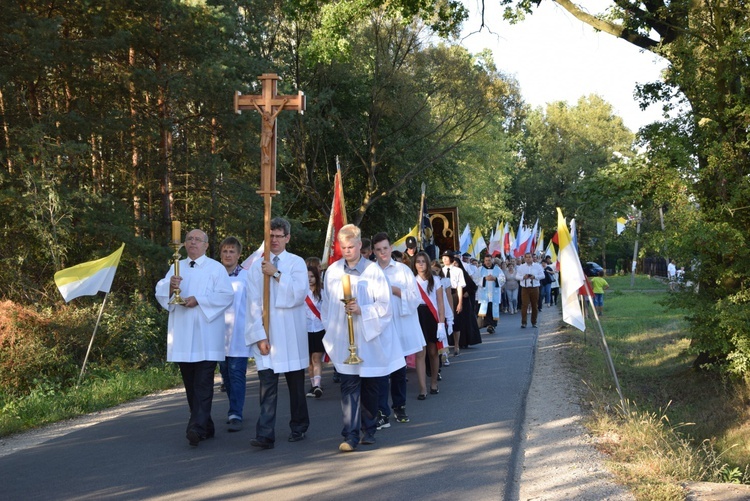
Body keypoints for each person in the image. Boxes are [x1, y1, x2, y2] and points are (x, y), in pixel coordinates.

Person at [321, 224, 405, 452]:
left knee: (369, 386)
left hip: (368, 339)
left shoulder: (373, 272)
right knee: (348, 386)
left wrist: (362, 310)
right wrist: (333, 330)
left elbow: (385, 307)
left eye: (351, 246)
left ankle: (369, 430)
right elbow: (327, 306)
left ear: (360, 245)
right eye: (343, 247)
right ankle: (350, 435)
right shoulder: (332, 272)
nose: (347, 250)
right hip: (344, 339)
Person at [155, 228, 234, 447]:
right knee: (190, 385)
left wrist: (198, 300)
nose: (192, 243)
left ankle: (196, 428)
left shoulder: (216, 269)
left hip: (206, 336)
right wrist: (170, 287)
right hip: (182, 334)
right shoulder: (176, 266)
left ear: (206, 245)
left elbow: (226, 295)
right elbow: (161, 289)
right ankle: (206, 425)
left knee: (203, 384)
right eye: (189, 239)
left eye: (197, 240)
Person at [245, 217, 310, 450]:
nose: (274, 240)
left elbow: (299, 294)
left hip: (290, 334)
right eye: (270, 235)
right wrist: (259, 335)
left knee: (295, 386)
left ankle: (299, 425)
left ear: (287, 238)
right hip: (268, 335)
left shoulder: (296, 263)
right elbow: (252, 303)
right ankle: (265, 434)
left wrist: (276, 273)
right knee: (267, 386)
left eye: (278, 236)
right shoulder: (256, 266)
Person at [372, 232, 425, 426]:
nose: (382, 252)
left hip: (400, 325)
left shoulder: (402, 270)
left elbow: (415, 298)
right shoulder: (370, 272)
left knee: (399, 369)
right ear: (374, 252)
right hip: (380, 326)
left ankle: (399, 406)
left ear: (391, 248)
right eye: (378, 250)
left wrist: (394, 290)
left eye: (385, 248)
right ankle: (381, 410)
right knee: (381, 370)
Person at [218, 236, 252, 432]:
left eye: (232, 251)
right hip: (218, 333)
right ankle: (234, 406)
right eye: (225, 251)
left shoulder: (246, 277)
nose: (228, 255)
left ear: (239, 255)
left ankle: (235, 413)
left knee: (237, 373)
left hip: (239, 333)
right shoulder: (215, 275)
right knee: (225, 374)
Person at [413, 251, 446, 398]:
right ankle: (422, 388)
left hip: (432, 316)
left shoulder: (436, 280)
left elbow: (440, 303)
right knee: (420, 353)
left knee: (433, 351)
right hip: (417, 315)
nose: (420, 264)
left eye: (423, 261)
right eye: (418, 261)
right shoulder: (411, 280)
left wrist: (441, 323)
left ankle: (434, 382)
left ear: (427, 263)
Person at [305, 264, 325, 399]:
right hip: (305, 329)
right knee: (309, 361)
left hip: (319, 328)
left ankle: (317, 385)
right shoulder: (302, 292)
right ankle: (313, 386)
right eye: (307, 277)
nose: (310, 279)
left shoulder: (322, 292)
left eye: (312, 276)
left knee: (316, 358)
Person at [516, 252, 545, 328]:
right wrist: (523, 277)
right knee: (524, 305)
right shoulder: (521, 267)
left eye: (530, 257)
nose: (528, 258)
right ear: (524, 258)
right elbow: (517, 276)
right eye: (527, 257)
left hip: (535, 287)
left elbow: (542, 276)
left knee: (534, 305)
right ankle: (524, 322)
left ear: (532, 258)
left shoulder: (537, 266)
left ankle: (534, 322)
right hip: (525, 288)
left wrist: (535, 277)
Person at [477, 254, 505, 334]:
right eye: (486, 260)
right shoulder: (480, 269)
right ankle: (486, 324)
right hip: (483, 295)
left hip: (494, 294)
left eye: (489, 260)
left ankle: (492, 326)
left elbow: (503, 279)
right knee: (486, 310)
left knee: (493, 310)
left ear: (492, 260)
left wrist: (495, 279)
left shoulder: (497, 269)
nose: (487, 262)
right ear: (484, 261)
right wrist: (485, 279)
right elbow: (475, 279)